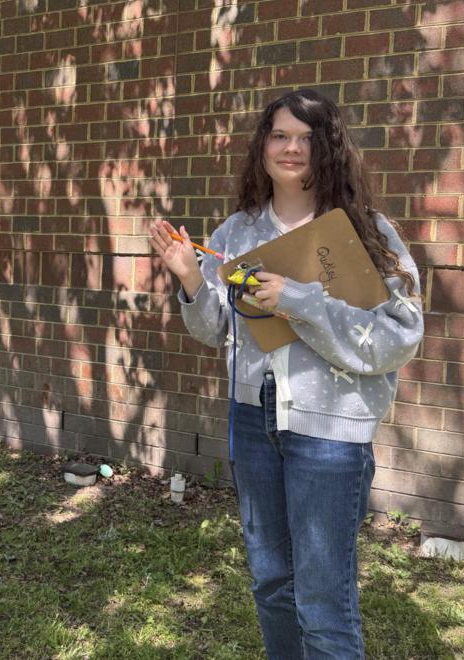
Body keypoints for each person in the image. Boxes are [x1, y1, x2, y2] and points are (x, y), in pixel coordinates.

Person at [148, 89, 423, 660]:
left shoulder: (365, 231)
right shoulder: (236, 233)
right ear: (263, 146)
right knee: (271, 584)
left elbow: (401, 335)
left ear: (329, 147)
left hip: (329, 433)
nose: (291, 148)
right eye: (279, 135)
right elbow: (216, 329)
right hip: (253, 421)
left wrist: (298, 300)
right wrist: (192, 279)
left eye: (306, 137)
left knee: (323, 602)